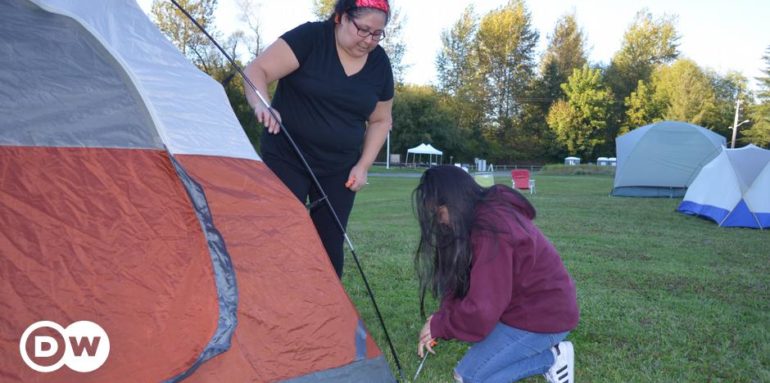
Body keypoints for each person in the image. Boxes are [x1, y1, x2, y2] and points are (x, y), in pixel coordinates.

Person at [243, 0, 394, 278]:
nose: (369, 40)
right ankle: (272, 303)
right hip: (288, 156)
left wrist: (363, 166)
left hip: (339, 168)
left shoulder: (380, 64)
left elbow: (381, 119)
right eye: (363, 30)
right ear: (341, 17)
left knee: (330, 243)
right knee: (281, 232)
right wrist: (262, 105)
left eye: (377, 34)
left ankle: (326, 314)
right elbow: (256, 71)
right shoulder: (311, 38)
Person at [413, 165, 579, 383]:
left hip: (544, 317)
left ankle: (552, 358)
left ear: (454, 202)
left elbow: (482, 309)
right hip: (518, 310)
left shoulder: (491, 230)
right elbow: (461, 281)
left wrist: (441, 326)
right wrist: (442, 316)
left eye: (440, 213)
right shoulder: (480, 215)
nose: (441, 222)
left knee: (468, 376)